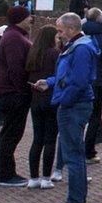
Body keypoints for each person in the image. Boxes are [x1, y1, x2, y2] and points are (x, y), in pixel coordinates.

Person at [46, 11, 100, 203]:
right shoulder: (80, 46)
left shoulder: (80, 48)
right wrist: (50, 83)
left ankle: (76, 201)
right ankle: (76, 200)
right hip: (75, 102)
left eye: (60, 30)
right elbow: (69, 77)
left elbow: (78, 80)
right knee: (74, 153)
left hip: (74, 105)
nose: (58, 35)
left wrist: (64, 100)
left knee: (73, 155)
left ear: (70, 29)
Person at [0, 5, 34, 187]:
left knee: (11, 133)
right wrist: (23, 90)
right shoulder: (14, 38)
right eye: (28, 17)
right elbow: (15, 67)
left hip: (12, 91)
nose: (31, 19)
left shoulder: (15, 36)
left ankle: (8, 172)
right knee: (11, 133)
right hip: (13, 93)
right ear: (20, 19)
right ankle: (5, 174)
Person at [24, 21, 61, 189]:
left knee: (37, 139)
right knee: (50, 139)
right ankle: (46, 177)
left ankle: (33, 177)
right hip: (51, 98)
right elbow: (60, 76)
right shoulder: (55, 54)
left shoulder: (33, 53)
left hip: (35, 99)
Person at [81, 8, 102, 164]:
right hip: (97, 82)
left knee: (78, 116)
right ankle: (89, 151)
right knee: (95, 116)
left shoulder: (80, 35)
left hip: (81, 81)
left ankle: (73, 149)